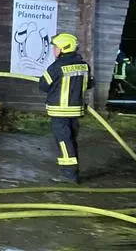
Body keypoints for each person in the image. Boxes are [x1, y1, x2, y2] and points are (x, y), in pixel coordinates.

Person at [38, 33, 93, 184]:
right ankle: (73, 172)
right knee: (71, 141)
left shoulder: (56, 67)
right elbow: (89, 84)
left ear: (63, 48)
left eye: (55, 47)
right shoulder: (84, 66)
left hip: (59, 111)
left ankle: (69, 175)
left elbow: (43, 86)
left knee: (63, 142)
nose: (54, 50)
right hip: (76, 111)